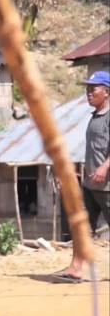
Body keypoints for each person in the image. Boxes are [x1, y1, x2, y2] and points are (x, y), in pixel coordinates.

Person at [52, 70, 109, 283]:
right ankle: (76, 268)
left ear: (107, 91)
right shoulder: (95, 117)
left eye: (93, 89)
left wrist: (104, 168)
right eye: (87, 89)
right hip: (91, 183)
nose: (88, 93)